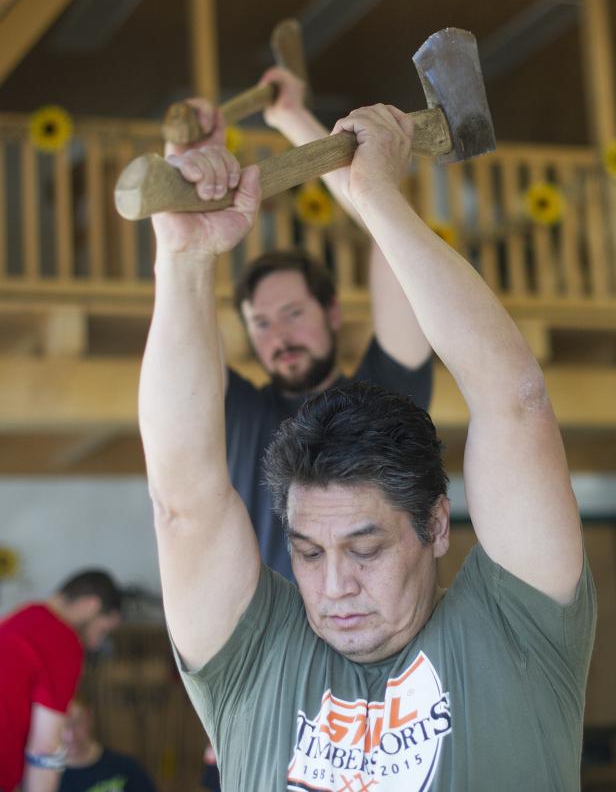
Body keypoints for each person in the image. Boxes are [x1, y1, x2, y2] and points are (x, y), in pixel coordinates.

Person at [141, 103, 596, 790]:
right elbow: (184, 504)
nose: (333, 587)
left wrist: (376, 193)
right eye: (306, 552)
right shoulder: (255, 659)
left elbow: (515, 405)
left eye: (366, 548)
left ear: (436, 523)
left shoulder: (514, 631)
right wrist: (182, 257)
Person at [164, 70, 432, 578]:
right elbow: (180, 325)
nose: (279, 337)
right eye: (261, 323)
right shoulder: (239, 410)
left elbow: (392, 239)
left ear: (331, 312)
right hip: (272, 652)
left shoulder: (389, 391)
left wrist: (293, 118)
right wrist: (181, 187)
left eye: (293, 314)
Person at [0, 570, 122, 792]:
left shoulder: (22, 617)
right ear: (91, 605)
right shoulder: (62, 639)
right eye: (102, 630)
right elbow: (44, 750)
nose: (95, 644)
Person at [58, 697, 157, 792]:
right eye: (63, 725)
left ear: (89, 717)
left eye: (77, 722)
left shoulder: (126, 768)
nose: (70, 736)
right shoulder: (47, 778)